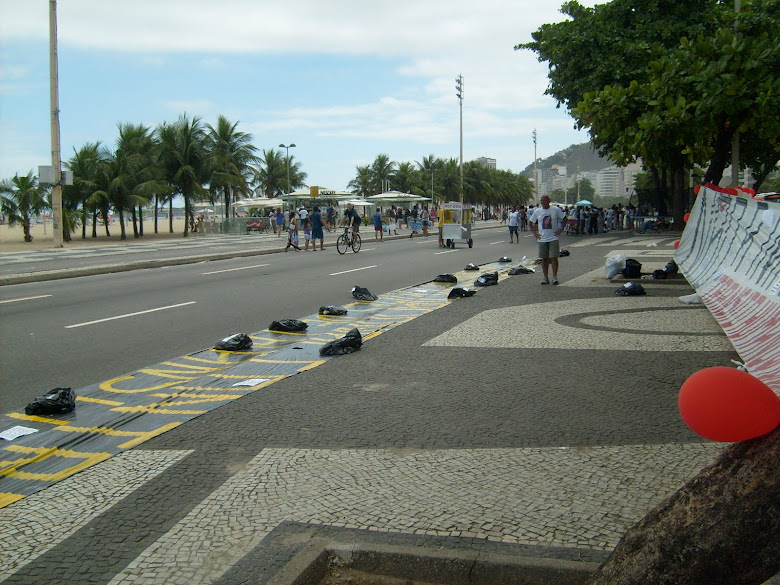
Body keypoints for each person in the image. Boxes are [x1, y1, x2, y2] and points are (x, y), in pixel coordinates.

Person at [529, 195, 566, 285]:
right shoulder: (537, 211)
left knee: (554, 257)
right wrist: (535, 233)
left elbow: (564, 218)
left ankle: (554, 277)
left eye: (544, 200)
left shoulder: (555, 210)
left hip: (553, 237)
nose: (543, 202)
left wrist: (561, 229)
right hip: (542, 238)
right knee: (544, 259)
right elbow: (530, 222)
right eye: (541, 201)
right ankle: (545, 277)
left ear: (549, 201)